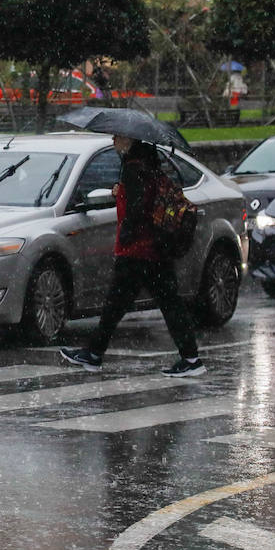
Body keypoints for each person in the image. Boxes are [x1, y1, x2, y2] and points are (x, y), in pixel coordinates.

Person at [59, 135, 205, 377]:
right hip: (155, 248)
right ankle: (190, 358)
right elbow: (144, 199)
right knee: (164, 303)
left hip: (137, 251)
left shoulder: (132, 168)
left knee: (118, 305)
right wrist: (122, 193)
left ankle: (94, 354)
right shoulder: (149, 164)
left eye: (118, 137)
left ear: (127, 140)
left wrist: (127, 234)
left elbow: (138, 208)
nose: (114, 140)